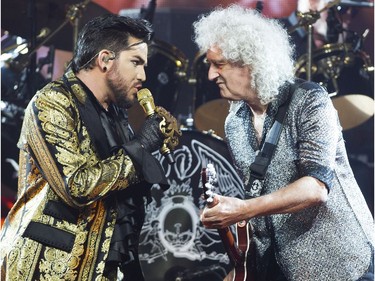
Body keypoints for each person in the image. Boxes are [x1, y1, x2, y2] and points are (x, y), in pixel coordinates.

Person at [193, 5, 374, 281]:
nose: (210, 75)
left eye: (219, 64)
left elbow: (316, 187)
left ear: (249, 61)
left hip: (343, 263)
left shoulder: (310, 101)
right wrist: (243, 267)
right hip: (285, 267)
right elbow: (261, 204)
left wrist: (241, 209)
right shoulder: (234, 122)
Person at [0, 14, 180, 281]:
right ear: (105, 60)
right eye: (136, 63)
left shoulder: (116, 114)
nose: (143, 75)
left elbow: (123, 185)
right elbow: (77, 186)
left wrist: (157, 144)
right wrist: (141, 146)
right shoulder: (52, 102)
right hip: (48, 267)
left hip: (100, 265)